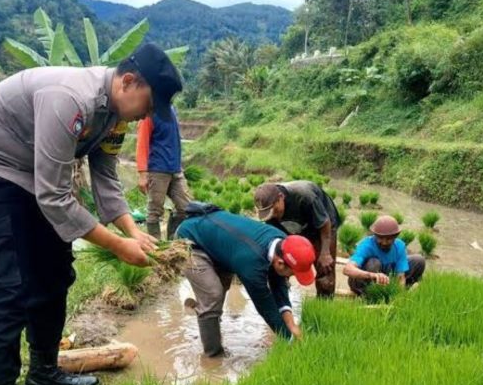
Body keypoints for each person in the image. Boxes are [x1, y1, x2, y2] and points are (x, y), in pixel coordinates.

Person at [0, 43, 182, 385]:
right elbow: (54, 196)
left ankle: (43, 373)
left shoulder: (115, 116)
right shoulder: (69, 98)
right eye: (149, 104)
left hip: (30, 178)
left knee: (54, 275)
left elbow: (104, 178)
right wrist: (118, 246)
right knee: (7, 293)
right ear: (128, 82)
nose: (147, 116)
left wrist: (134, 231)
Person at [176, 205, 316, 357]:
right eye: (293, 273)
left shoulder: (282, 242)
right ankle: (214, 356)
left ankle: (209, 323)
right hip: (190, 241)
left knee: (220, 289)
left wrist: (291, 325)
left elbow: (278, 283)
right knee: (212, 295)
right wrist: (289, 339)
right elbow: (265, 305)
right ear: (280, 263)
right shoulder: (251, 265)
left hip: (220, 243)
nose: (292, 277)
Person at [254, 181, 340, 298]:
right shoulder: (270, 211)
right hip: (297, 225)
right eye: (268, 213)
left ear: (281, 198)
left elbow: (324, 224)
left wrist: (325, 253)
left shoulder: (304, 196)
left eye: (274, 210)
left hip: (322, 227)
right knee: (282, 265)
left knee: (325, 272)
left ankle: (324, 305)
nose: (272, 215)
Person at [136, 104, 191, 239]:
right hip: (157, 169)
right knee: (155, 211)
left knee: (186, 208)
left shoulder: (172, 109)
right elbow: (142, 142)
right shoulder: (149, 111)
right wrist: (142, 173)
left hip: (176, 169)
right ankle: (156, 248)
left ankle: (172, 239)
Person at [343, 215, 425, 295]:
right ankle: (370, 295)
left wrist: (399, 296)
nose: (384, 242)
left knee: (418, 260)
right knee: (374, 263)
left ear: (395, 237)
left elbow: (400, 277)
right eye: (380, 238)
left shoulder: (399, 246)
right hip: (362, 281)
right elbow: (347, 269)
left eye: (388, 239)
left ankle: (391, 292)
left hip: (385, 278)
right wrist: (373, 275)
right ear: (375, 235)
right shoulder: (366, 245)